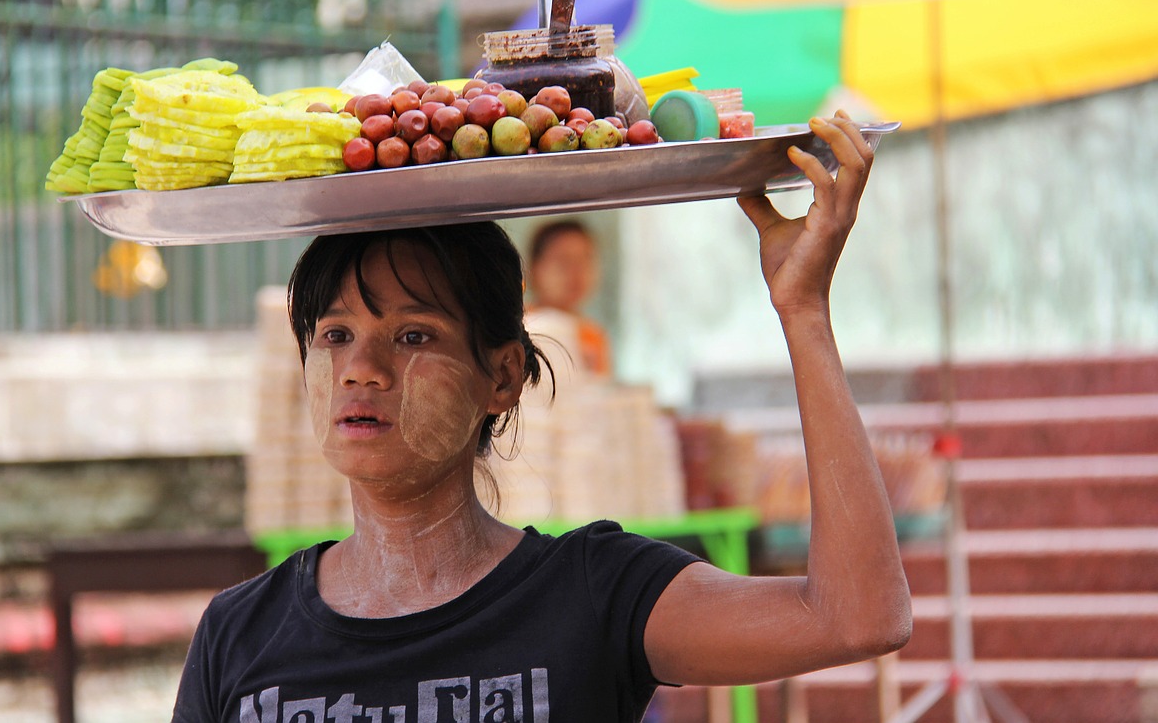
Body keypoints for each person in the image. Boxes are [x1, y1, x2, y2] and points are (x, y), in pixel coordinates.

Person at [171, 112, 912, 722]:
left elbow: (857, 617)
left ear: (502, 376)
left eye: (412, 335)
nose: (360, 368)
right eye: (334, 336)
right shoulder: (238, 635)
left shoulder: (594, 594)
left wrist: (804, 310)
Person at [525, 219, 613, 378]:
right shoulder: (523, 327)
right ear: (534, 268)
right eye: (563, 261)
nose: (575, 273)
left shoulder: (593, 335)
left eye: (584, 260)